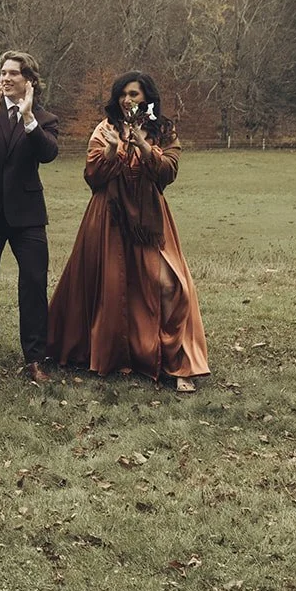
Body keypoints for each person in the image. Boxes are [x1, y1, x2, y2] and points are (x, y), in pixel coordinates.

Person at [47, 72, 210, 392]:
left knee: (168, 284)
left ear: (147, 98)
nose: (127, 100)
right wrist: (111, 154)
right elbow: (92, 178)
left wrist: (146, 149)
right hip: (109, 216)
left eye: (134, 94)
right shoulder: (104, 128)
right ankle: (118, 355)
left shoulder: (162, 130)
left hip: (149, 218)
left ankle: (172, 361)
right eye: (123, 94)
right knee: (114, 287)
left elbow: (169, 173)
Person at [0, 50, 61, 382]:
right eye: (2, 73)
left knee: (33, 280)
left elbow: (48, 154)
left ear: (28, 80)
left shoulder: (44, 119)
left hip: (27, 213)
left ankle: (34, 357)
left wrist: (29, 119)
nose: (4, 78)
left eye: (12, 74)